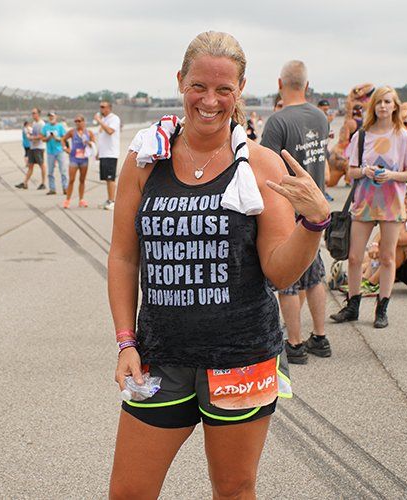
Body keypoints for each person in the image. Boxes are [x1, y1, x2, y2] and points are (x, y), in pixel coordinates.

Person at [108, 31, 330, 499]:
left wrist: (314, 222)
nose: (210, 100)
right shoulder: (146, 160)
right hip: (161, 356)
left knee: (233, 490)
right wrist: (125, 341)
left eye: (223, 89)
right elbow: (125, 256)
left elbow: (279, 272)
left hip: (242, 359)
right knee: (128, 492)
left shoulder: (261, 165)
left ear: (240, 91)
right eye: (198, 86)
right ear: (180, 82)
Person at [330, 86, 407, 329]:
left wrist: (392, 174)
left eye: (387, 102)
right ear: (374, 106)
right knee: (356, 256)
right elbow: (350, 170)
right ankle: (353, 305)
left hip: (392, 204)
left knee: (388, 257)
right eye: (379, 102)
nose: (383, 106)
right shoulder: (362, 135)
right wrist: (365, 171)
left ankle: (382, 307)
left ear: (395, 106)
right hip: (365, 202)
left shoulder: (403, 137)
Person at [260, 60, 331, 364]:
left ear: (280, 83)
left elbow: (266, 167)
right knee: (315, 276)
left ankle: (295, 343)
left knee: (288, 282)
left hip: (287, 208)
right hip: (314, 206)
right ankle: (320, 336)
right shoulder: (320, 117)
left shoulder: (277, 122)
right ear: (306, 84)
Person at [61, 114, 95, 208]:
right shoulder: (72, 132)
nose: (77, 123)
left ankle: (81, 200)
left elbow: (93, 145)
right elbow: (63, 139)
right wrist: (65, 148)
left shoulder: (89, 133)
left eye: (79, 121)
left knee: (82, 180)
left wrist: (89, 143)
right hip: (74, 158)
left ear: (83, 122)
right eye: (75, 121)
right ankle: (67, 200)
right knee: (71, 180)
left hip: (84, 159)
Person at [95, 101, 121, 210]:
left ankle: (113, 201)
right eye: (100, 107)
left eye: (103, 107)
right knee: (106, 178)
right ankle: (109, 199)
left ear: (109, 108)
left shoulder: (114, 118)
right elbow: (102, 138)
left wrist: (99, 121)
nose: (101, 109)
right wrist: (98, 152)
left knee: (111, 178)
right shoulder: (105, 120)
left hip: (111, 153)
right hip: (104, 153)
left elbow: (110, 131)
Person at [15, 109, 46, 190]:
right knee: (30, 166)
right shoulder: (34, 123)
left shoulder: (42, 124)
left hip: (39, 147)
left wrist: (32, 137)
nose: (33, 114)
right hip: (32, 147)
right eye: (32, 113)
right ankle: (25, 183)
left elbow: (42, 136)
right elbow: (34, 133)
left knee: (42, 165)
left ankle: (43, 183)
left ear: (38, 114)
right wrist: (29, 134)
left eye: (34, 113)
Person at [41, 111, 68, 195]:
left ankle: (65, 188)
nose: (51, 118)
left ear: (56, 117)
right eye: (49, 116)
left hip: (60, 150)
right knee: (50, 171)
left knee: (63, 170)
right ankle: (52, 189)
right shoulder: (45, 127)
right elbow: (42, 138)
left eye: (52, 116)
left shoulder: (60, 126)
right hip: (50, 151)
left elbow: (65, 137)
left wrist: (58, 138)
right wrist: (48, 137)